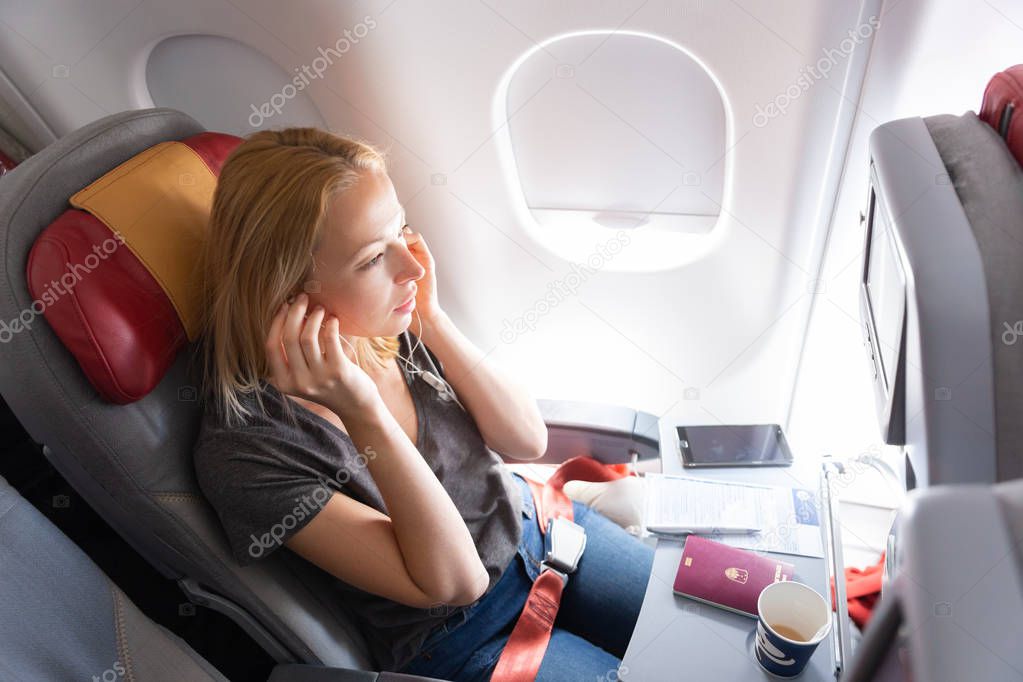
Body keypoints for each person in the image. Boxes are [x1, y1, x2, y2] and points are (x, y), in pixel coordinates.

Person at [191, 127, 654, 681]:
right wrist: (364, 410)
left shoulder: (385, 322)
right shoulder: (248, 450)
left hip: (547, 533)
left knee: (725, 637)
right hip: (470, 636)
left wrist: (432, 320)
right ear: (284, 286)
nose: (410, 267)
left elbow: (526, 440)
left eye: (400, 230)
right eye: (370, 259)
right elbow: (459, 582)